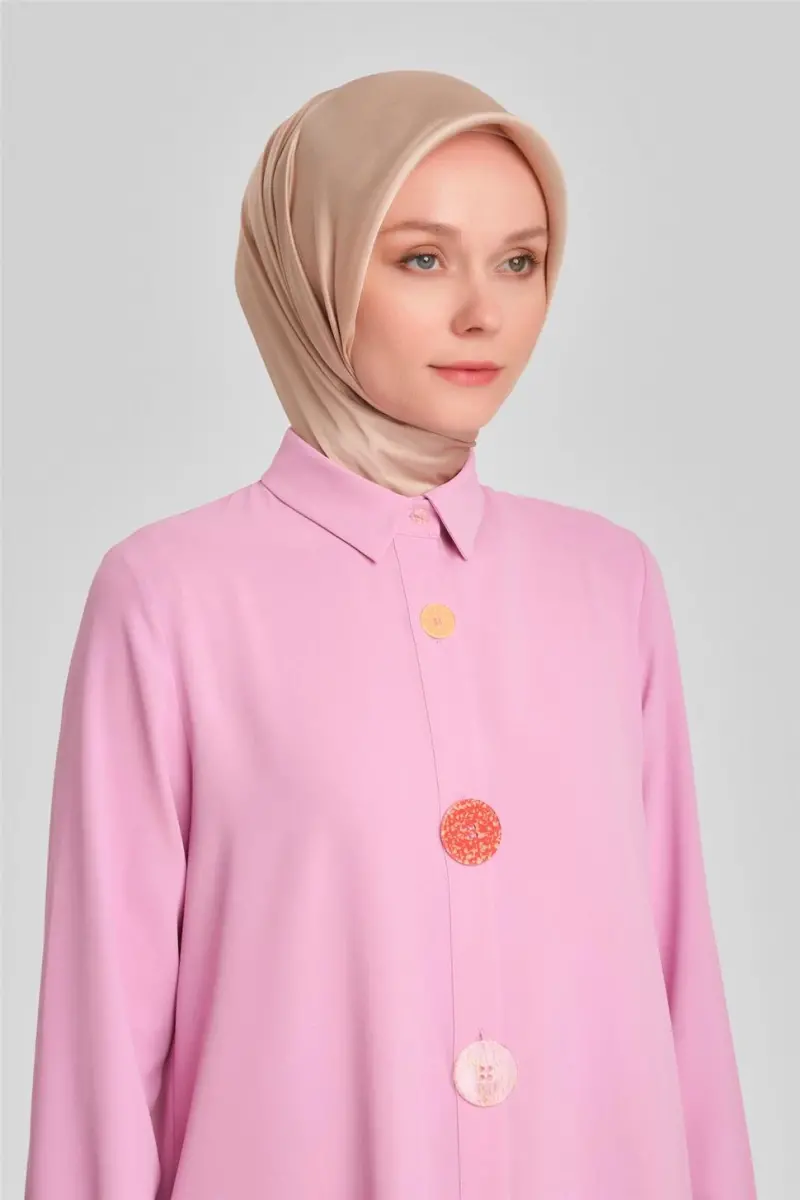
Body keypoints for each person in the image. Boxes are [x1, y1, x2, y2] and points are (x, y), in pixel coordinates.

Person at [24, 69, 758, 1200]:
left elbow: (681, 991)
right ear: (311, 271)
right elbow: (103, 1046)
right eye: (421, 258)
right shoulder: (169, 598)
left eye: (519, 261)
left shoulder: (610, 582)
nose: (483, 313)